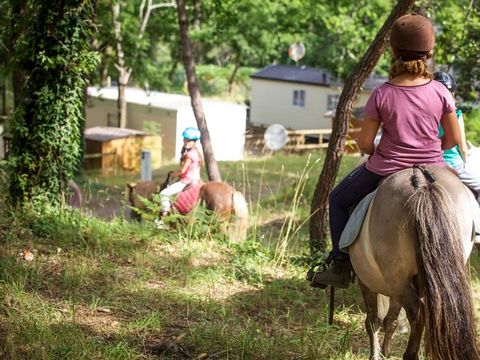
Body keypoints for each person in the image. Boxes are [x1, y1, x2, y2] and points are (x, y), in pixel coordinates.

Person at [310, 14, 461, 289]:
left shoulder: (382, 93)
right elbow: (452, 139)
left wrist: (385, 151)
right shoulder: (441, 91)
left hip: (388, 167)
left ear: (393, 51)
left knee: (338, 199)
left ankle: (340, 265)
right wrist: (427, 151)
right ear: (429, 54)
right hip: (435, 167)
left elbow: (365, 144)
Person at [434, 71, 480, 203]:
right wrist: (465, 161)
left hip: (428, 161)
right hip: (453, 165)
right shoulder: (456, 114)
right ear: (452, 93)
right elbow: (463, 148)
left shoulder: (425, 113)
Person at [158, 127, 203, 219]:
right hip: (196, 179)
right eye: (185, 139)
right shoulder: (197, 153)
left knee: (164, 193)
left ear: (194, 141)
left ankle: (164, 217)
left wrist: (172, 174)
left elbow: (182, 171)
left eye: (189, 140)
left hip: (186, 181)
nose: (186, 142)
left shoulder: (189, 155)